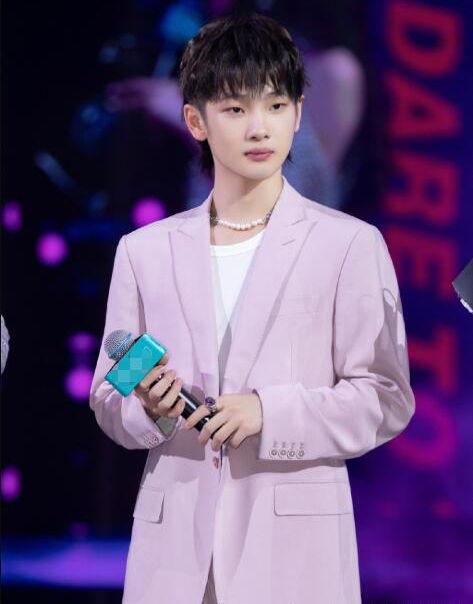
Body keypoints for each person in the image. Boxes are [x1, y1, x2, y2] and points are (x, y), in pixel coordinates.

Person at [89, 12, 415, 604]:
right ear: (196, 121)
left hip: (292, 554)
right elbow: (111, 398)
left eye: (276, 106)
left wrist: (268, 411)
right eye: (236, 109)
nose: (259, 127)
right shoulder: (145, 252)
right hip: (174, 555)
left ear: (298, 114)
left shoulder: (348, 245)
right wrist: (151, 410)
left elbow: (385, 397)